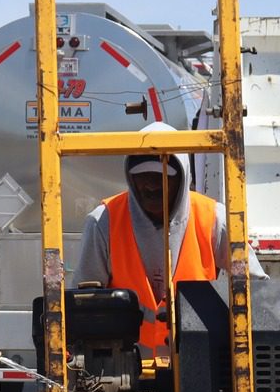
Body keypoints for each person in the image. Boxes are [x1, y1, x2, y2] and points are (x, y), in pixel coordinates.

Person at [71, 121, 243, 352]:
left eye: (162, 176)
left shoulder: (214, 219)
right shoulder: (103, 221)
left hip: (198, 366)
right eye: (142, 176)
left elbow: (257, 291)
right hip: (125, 368)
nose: (151, 186)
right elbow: (82, 304)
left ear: (181, 178)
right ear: (130, 177)